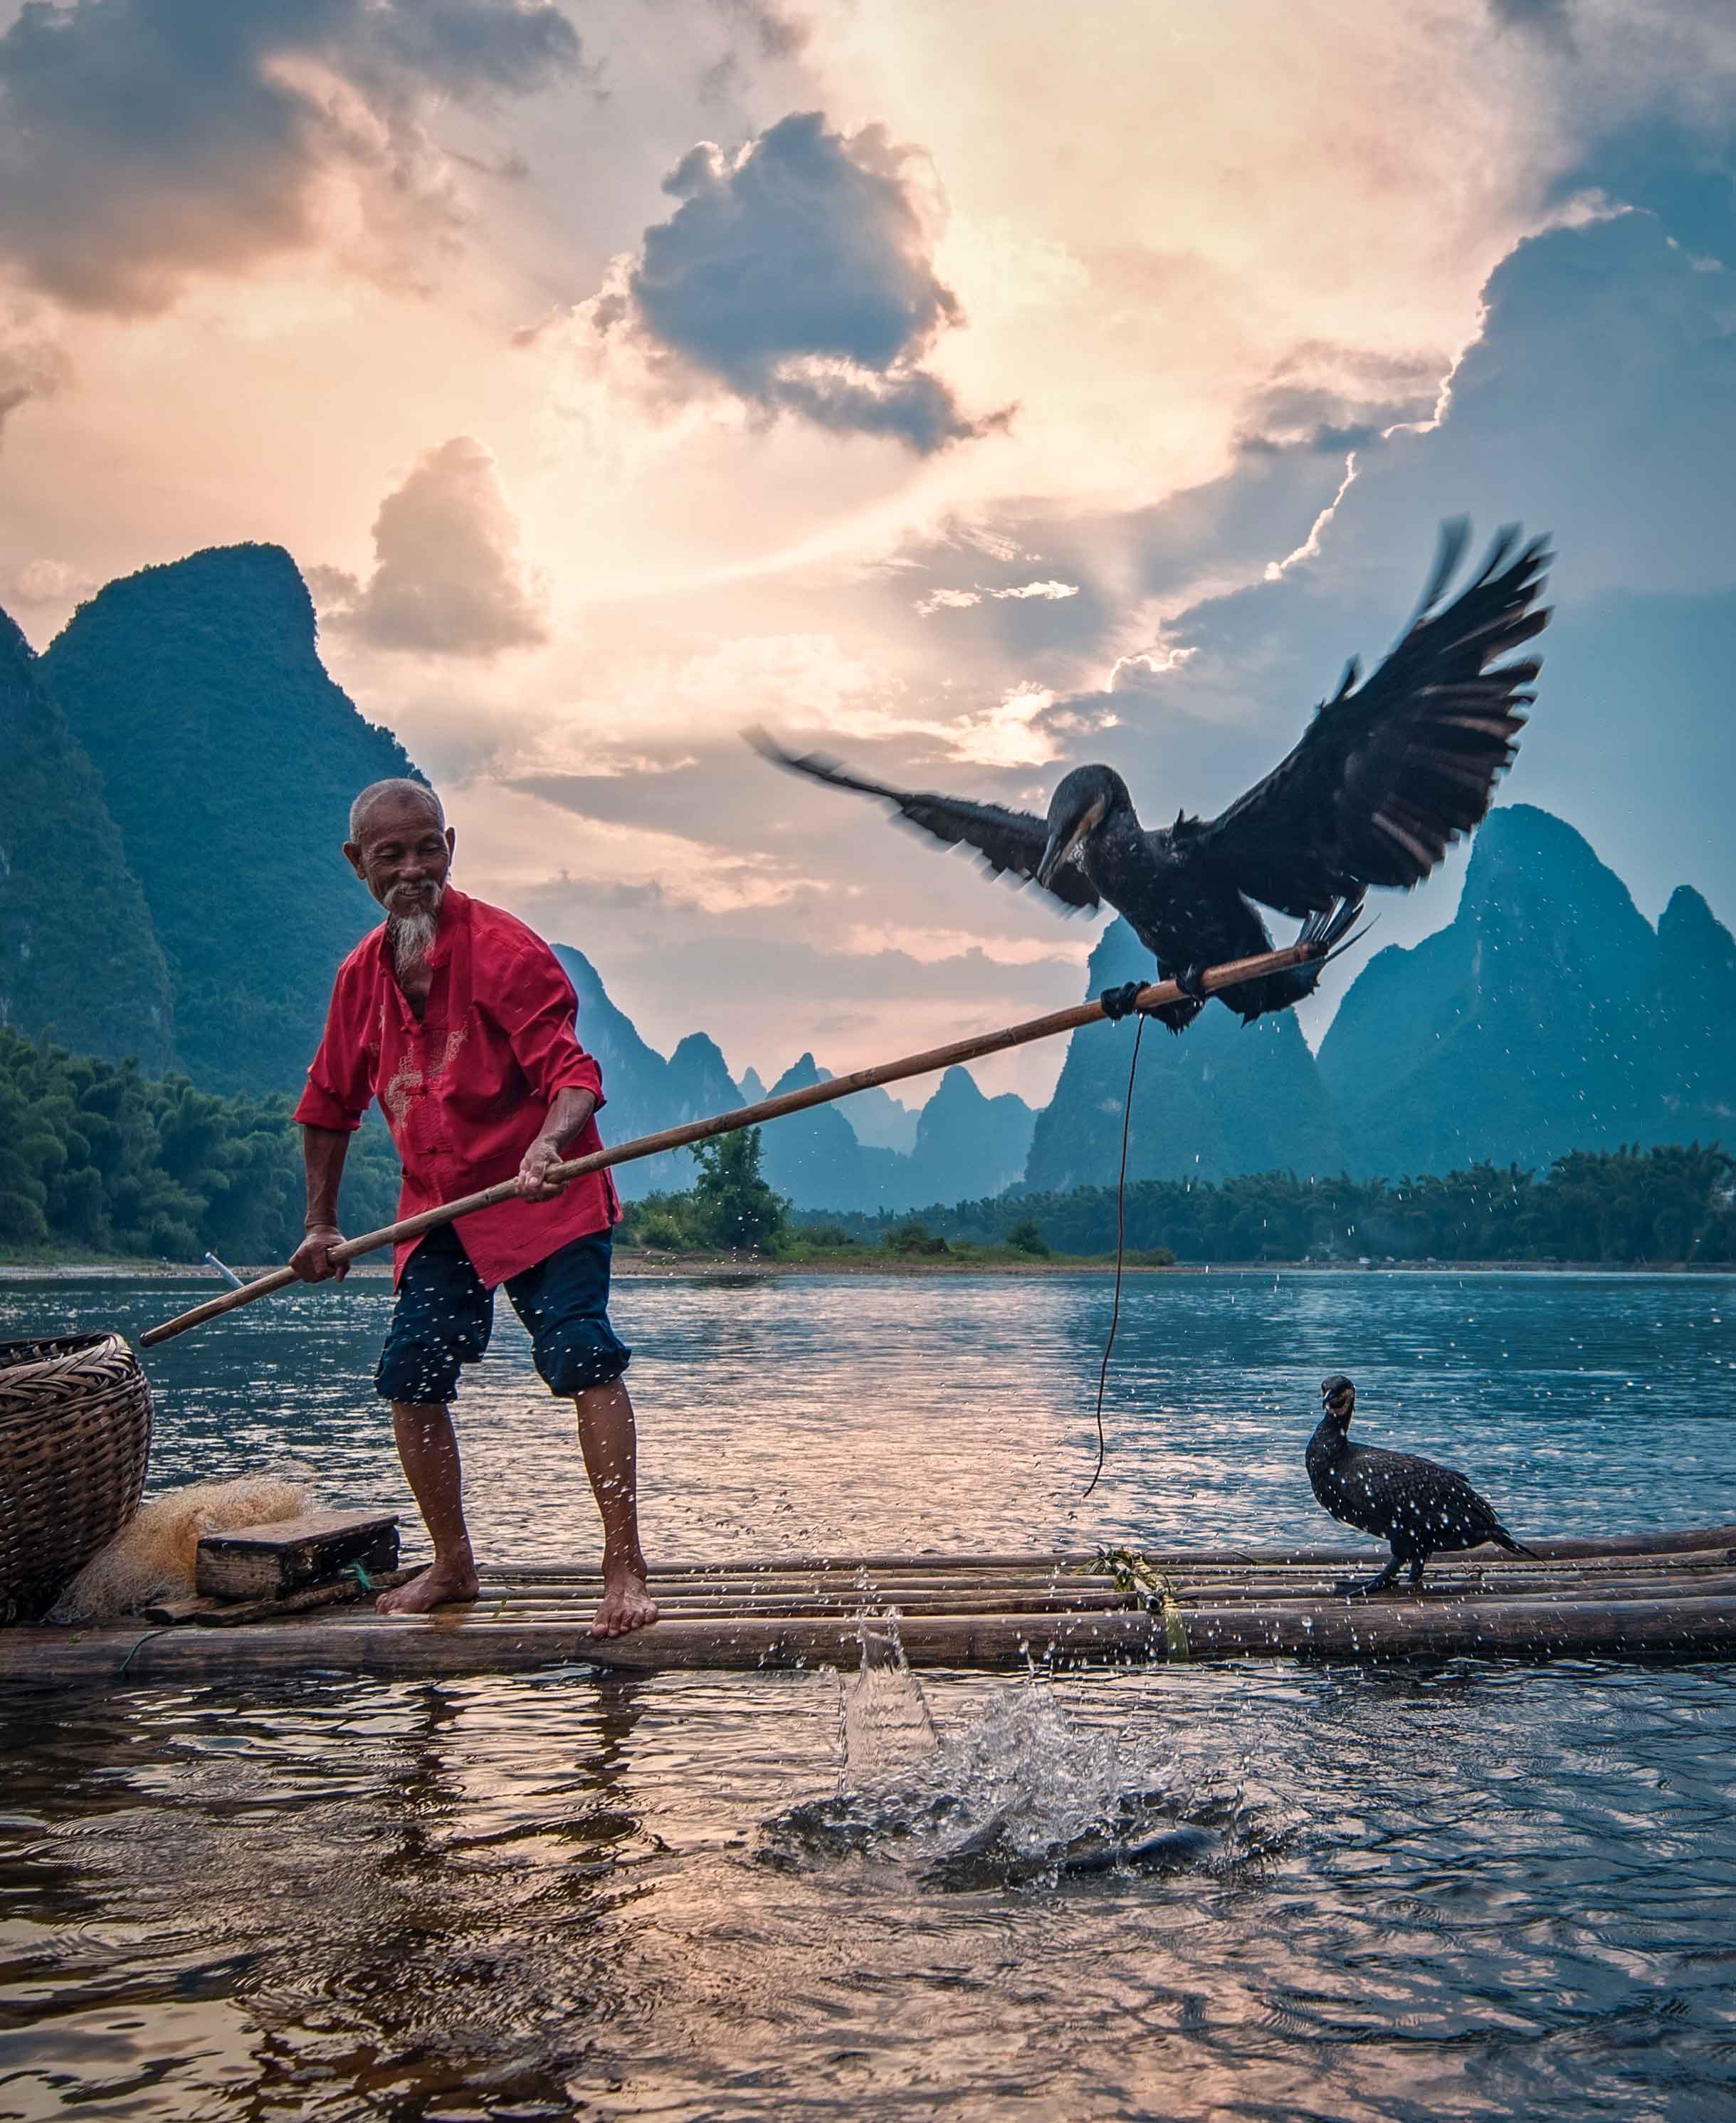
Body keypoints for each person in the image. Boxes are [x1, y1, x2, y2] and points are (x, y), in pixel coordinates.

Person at [287, 778, 657, 1638]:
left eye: (427, 849)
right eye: (391, 856)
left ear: (450, 847)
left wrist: (548, 1146)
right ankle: (453, 1565)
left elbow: (574, 1078)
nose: (413, 870)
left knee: (583, 1358)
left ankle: (624, 1564)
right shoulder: (359, 982)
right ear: (358, 867)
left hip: (545, 1199)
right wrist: (320, 1225)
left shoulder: (506, 952)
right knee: (410, 1377)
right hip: (438, 1210)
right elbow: (327, 1107)